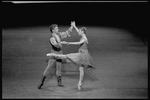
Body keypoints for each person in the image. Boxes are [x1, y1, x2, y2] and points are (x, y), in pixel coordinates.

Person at [46, 21, 97, 90]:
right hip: (82, 53)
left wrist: (69, 43)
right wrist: (74, 26)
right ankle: (80, 82)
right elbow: (77, 32)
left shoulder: (84, 38)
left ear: (82, 32)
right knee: (81, 69)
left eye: (80, 31)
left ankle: (53, 54)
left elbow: (78, 43)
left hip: (82, 54)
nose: (79, 31)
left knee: (68, 56)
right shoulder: (82, 35)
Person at [37, 22, 73, 89]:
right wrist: (63, 42)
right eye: (56, 28)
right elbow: (56, 45)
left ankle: (59, 83)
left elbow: (66, 33)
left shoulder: (58, 34)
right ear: (53, 30)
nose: (58, 29)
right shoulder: (52, 38)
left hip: (60, 53)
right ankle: (41, 82)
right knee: (49, 67)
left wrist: (72, 27)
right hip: (54, 53)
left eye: (57, 28)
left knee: (59, 68)